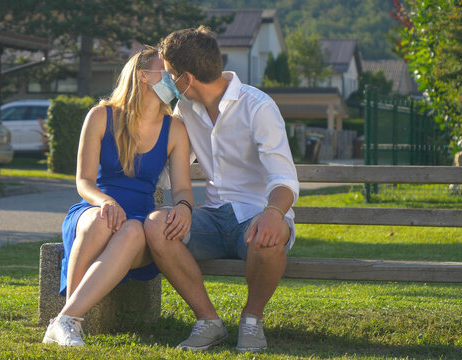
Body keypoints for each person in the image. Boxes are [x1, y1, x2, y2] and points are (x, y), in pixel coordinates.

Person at [144, 26, 299, 353]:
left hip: (256, 216)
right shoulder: (183, 105)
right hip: (212, 220)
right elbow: (167, 168)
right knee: (157, 225)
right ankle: (209, 321)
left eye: (169, 75)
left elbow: (283, 179)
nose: (166, 82)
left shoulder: (258, 106)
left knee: (269, 238)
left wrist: (274, 214)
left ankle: (252, 320)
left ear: (186, 78)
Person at [42, 46, 193, 346]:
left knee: (134, 230)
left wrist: (185, 207)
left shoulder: (174, 128)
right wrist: (106, 202)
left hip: (138, 219)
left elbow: (183, 188)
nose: (173, 81)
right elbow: (84, 181)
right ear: (144, 76)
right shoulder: (101, 115)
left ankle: (65, 321)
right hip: (95, 208)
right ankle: (70, 321)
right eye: (166, 73)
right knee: (102, 220)